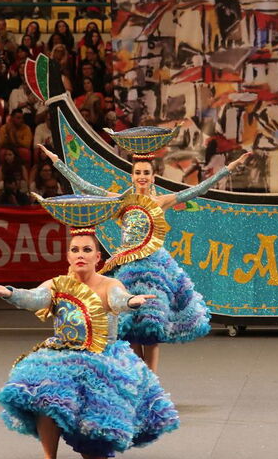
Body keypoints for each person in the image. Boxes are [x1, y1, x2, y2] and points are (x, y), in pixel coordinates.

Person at [39, 142, 252, 371]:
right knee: (129, 329)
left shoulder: (161, 202)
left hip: (154, 270)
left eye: (146, 173)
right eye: (138, 173)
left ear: (153, 177)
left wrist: (229, 167)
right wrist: (56, 162)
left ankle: (152, 381)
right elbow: (85, 186)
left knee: (150, 329)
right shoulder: (121, 200)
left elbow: (198, 189)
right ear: (132, 176)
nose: (141, 177)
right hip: (128, 269)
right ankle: (139, 377)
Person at [0, 227, 179, 459]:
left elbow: (119, 299)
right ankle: (48, 458)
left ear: (98, 257)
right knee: (47, 393)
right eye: (75, 250)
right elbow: (35, 298)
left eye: (87, 250)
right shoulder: (58, 285)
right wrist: (11, 293)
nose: (81, 255)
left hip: (102, 359)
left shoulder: (110, 284)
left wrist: (131, 302)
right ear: (68, 256)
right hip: (63, 356)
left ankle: (80, 434)